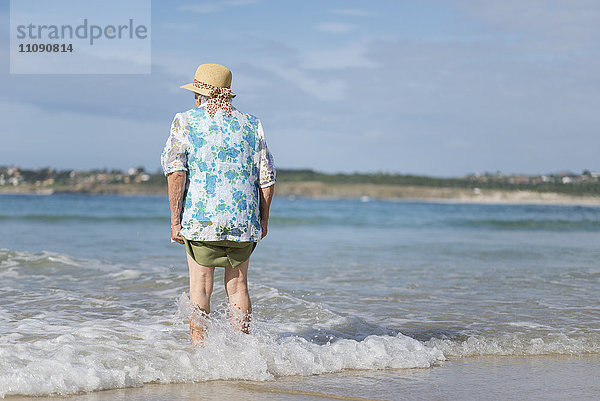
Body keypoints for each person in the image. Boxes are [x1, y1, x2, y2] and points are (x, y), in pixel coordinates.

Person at [160, 63, 276, 345]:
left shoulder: (186, 120)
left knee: (200, 286)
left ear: (199, 94)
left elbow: (176, 172)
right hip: (242, 221)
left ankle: (200, 354)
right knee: (238, 287)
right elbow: (267, 178)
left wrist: (176, 220)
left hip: (201, 219)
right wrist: (263, 219)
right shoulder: (252, 123)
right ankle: (242, 353)